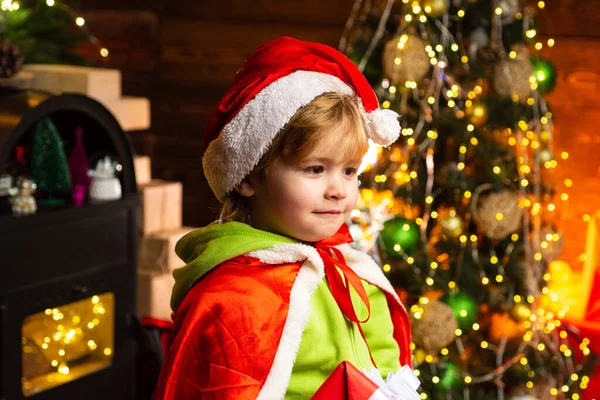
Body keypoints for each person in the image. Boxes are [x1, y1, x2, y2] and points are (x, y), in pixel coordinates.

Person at [152, 36, 413, 399]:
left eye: (350, 171)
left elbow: (386, 361)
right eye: (315, 169)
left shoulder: (353, 274)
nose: (338, 189)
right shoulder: (233, 297)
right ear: (248, 176)